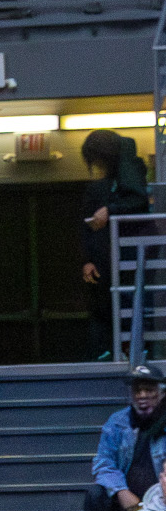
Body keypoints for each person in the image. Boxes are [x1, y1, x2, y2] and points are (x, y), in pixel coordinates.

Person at [80, 362, 166, 511]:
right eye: (137, 390)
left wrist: (154, 500)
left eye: (149, 390)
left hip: (161, 501)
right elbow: (103, 463)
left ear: (162, 392)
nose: (142, 396)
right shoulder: (118, 422)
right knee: (96, 495)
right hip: (127, 500)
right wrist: (121, 492)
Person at [81, 128, 151, 359]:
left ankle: (115, 351)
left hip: (113, 257)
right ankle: (129, 350)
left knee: (117, 305)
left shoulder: (107, 185)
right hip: (119, 255)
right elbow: (138, 200)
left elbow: (137, 201)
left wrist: (88, 259)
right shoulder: (128, 171)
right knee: (128, 303)